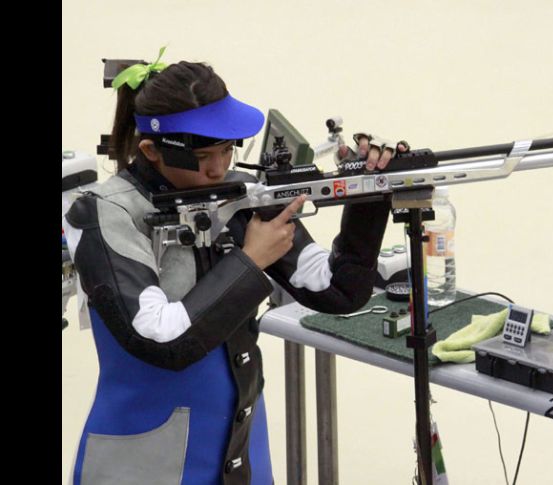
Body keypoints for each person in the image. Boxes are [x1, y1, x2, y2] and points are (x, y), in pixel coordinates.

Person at [64, 50, 407, 485]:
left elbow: (338, 290)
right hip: (145, 461)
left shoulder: (237, 195)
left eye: (227, 149)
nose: (219, 168)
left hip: (241, 452)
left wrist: (369, 195)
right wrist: (251, 260)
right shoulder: (103, 212)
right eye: (203, 155)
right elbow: (160, 339)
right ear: (151, 150)